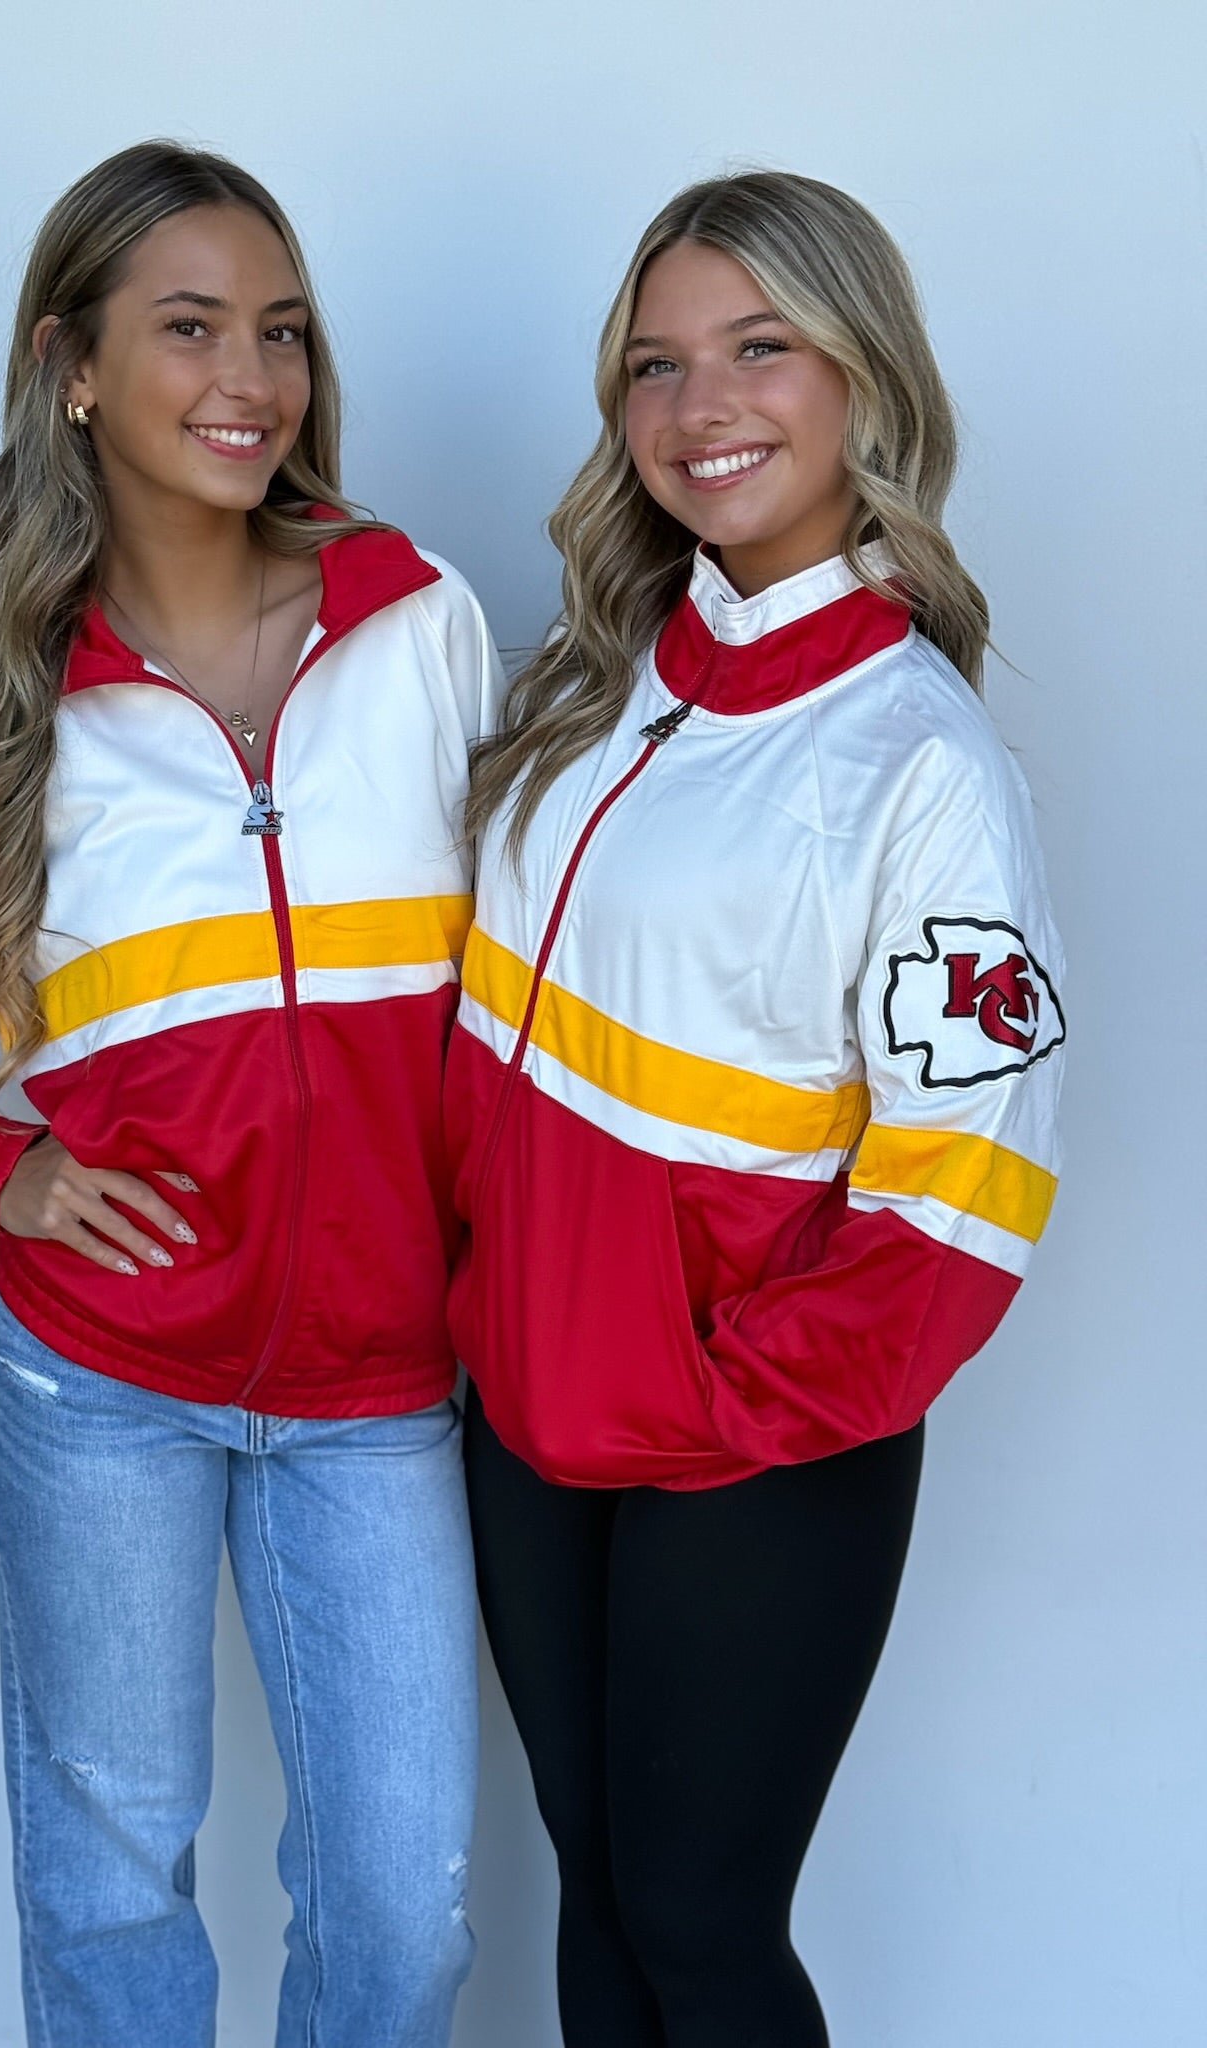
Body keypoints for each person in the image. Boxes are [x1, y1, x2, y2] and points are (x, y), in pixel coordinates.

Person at [0, 141, 500, 2048]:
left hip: (380, 1386)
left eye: (283, 331)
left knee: (402, 1919)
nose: (251, 378)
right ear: (72, 364)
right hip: (100, 1390)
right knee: (108, 1899)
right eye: (190, 328)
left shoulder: (416, 624)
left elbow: (544, 960)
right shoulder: (2, 722)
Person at [448, 171, 1065, 2046]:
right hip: (527, 1406)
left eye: (759, 347)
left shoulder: (920, 759)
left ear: (863, 374)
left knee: (702, 1924)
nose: (699, 405)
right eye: (656, 364)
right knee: (599, 1887)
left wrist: (715, 1400)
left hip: (748, 1450)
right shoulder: (605, 677)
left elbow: (961, 1203)